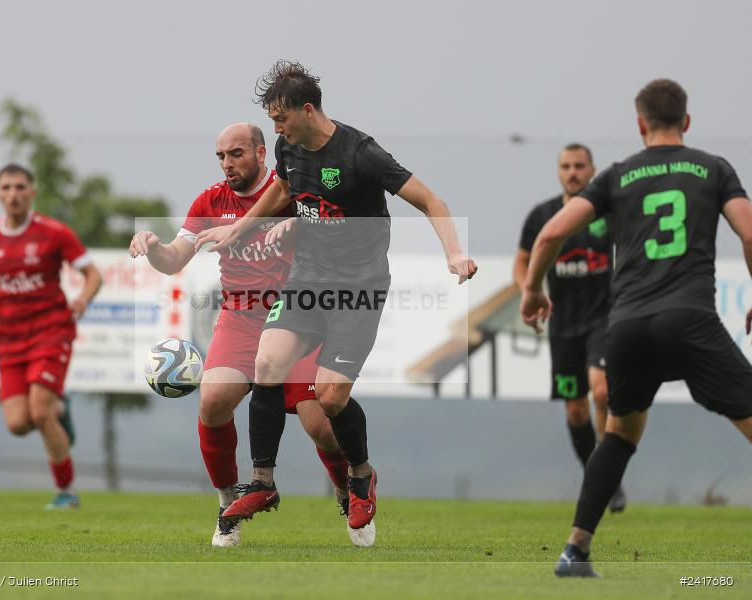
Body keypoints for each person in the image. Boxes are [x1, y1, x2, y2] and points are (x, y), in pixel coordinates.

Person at [195, 61, 477, 532]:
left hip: (359, 288)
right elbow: (284, 186)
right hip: (308, 279)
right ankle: (262, 480)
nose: (276, 129)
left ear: (308, 110)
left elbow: (432, 201)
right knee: (267, 363)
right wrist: (239, 230)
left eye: (281, 118)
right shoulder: (289, 146)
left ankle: (362, 475)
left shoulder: (360, 152)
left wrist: (453, 253)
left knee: (328, 398)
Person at [521, 79, 752, 577]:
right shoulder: (713, 168)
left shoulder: (617, 175)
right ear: (686, 122)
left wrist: (533, 290)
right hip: (690, 319)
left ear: (640, 124)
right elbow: (749, 230)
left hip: (624, 326)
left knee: (620, 432)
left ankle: (575, 551)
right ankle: (576, 551)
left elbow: (551, 233)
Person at [129, 122, 372, 547]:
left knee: (321, 423)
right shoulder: (209, 201)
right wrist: (152, 246)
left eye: (236, 153)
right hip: (240, 318)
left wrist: (298, 227)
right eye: (221, 156)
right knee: (213, 399)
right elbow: (173, 260)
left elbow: (333, 226)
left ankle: (347, 491)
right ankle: (228, 505)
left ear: (262, 153)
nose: (227, 163)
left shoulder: (289, 190)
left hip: (297, 316)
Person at [0, 163, 102, 510]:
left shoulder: (54, 232)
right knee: (17, 423)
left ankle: (66, 490)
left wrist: (83, 299)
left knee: (40, 412)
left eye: (19, 187)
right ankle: (61, 406)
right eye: (7, 188)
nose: (13, 194)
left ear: (32, 192)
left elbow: (93, 274)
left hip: (50, 331)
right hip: (8, 340)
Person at [514, 143, 626, 512]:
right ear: (559, 171)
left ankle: (609, 476)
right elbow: (523, 263)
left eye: (580, 165)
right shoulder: (543, 215)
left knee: (602, 390)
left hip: (604, 318)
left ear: (592, 170)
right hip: (563, 325)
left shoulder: (608, 213)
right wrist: (527, 293)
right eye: (566, 166)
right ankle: (598, 476)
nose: (573, 172)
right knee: (575, 410)